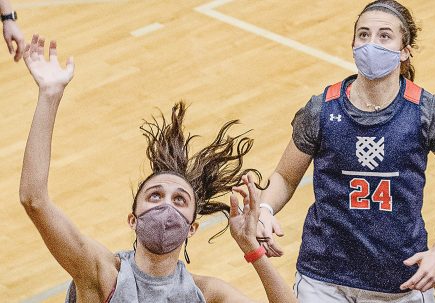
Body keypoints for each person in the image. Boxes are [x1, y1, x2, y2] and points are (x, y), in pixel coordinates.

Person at [19, 34, 297, 303]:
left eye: (179, 199)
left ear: (192, 228)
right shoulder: (103, 274)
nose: (166, 206)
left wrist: (252, 249)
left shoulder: (206, 294)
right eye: (155, 196)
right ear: (133, 219)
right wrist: (49, 95)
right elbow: (34, 200)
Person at [256, 0, 435, 302]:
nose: (371, 43)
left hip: (401, 282)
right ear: (353, 43)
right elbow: (285, 176)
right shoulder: (321, 110)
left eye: (384, 36)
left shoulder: (428, 113)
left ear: (404, 50)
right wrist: (265, 210)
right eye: (363, 35)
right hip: (323, 278)